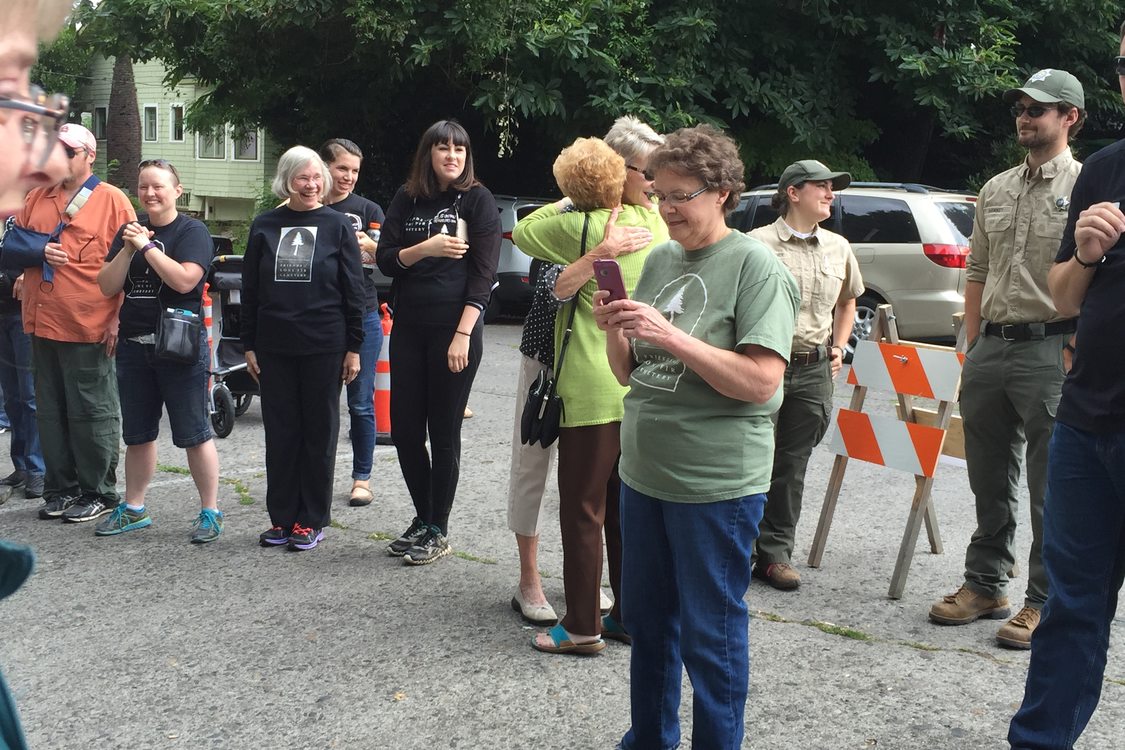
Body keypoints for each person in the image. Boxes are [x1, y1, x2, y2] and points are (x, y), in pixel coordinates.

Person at [594, 124, 798, 748]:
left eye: (683, 194)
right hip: (643, 474)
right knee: (649, 626)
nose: (669, 208)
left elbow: (762, 382)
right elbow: (631, 375)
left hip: (714, 485)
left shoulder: (756, 265)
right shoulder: (658, 258)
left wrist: (669, 334)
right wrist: (616, 329)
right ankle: (650, 738)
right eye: (660, 193)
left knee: (711, 635)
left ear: (724, 193)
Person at [929, 69, 1084, 649]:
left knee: (1052, 486)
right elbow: (977, 270)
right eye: (1021, 106)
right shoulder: (995, 188)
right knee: (988, 475)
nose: (1026, 116)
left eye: (1039, 108)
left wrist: (1077, 344)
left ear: (1070, 117)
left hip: (1053, 346)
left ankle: (1043, 600)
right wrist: (973, 343)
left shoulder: (1089, 184)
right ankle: (986, 583)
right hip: (993, 345)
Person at [1007, 26, 1125, 748]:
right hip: (1089, 422)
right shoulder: (1105, 168)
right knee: (1072, 607)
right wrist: (1083, 252)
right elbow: (1060, 298)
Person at [513, 136, 666, 654]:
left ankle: (581, 624)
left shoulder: (572, 226)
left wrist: (573, 199)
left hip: (587, 384)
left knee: (583, 508)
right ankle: (626, 614)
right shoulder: (654, 226)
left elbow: (523, 230)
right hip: (635, 385)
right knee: (624, 508)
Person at [0, 2, 82, 747]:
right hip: (20, 313)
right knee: (23, 397)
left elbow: (33, 243)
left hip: (38, 317)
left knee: (33, 399)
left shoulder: (40, 205)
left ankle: (38, 474)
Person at [376, 120, 501, 566]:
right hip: (409, 327)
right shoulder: (407, 198)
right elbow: (387, 260)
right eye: (444, 149)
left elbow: (484, 275)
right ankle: (423, 517)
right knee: (406, 431)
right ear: (428, 153)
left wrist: (463, 333)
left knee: (442, 431)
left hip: (456, 330)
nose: (452, 156)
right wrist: (425, 249)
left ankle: (439, 527)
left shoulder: (478, 200)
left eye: (460, 150)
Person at [243, 145, 365, 552]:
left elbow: (353, 288)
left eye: (316, 178)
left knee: (319, 432)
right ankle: (282, 518)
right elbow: (251, 290)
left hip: (325, 344)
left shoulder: (336, 225)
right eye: (302, 178)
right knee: (280, 433)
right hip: (274, 345)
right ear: (286, 180)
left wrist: (354, 347)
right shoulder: (264, 225)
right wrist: (249, 345)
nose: (311, 185)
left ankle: (310, 520)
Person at [749, 160, 863, 590]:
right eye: (823, 187)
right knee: (750, 458)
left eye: (834, 188)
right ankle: (740, 550)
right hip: (764, 363)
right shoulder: (756, 244)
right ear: (793, 193)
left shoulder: (838, 246)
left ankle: (775, 554)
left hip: (814, 369)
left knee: (791, 466)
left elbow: (849, 300)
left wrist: (838, 346)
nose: (831, 194)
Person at [94, 159, 221, 542]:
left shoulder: (192, 231)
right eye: (144, 186)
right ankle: (134, 508)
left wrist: (146, 246)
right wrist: (127, 249)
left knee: (194, 432)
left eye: (158, 186)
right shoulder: (128, 231)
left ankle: (210, 511)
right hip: (134, 343)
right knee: (138, 433)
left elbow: (185, 280)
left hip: (178, 344)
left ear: (177, 191)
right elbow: (106, 285)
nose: (150, 193)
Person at [16, 123, 135, 523]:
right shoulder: (37, 196)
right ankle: (60, 488)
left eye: (66, 152)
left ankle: (98, 490)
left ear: (89, 155)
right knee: (49, 410)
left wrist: (118, 318)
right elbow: (20, 245)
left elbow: (129, 265)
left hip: (88, 321)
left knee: (92, 411)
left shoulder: (112, 200)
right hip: (40, 319)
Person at [319, 138, 385, 507]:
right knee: (321, 402)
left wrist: (371, 247)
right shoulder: (307, 206)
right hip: (321, 318)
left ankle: (363, 478)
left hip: (364, 313)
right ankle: (318, 474)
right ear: (324, 166)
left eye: (355, 171)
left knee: (361, 403)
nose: (348, 177)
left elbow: (385, 261)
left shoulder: (368, 209)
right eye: (342, 168)